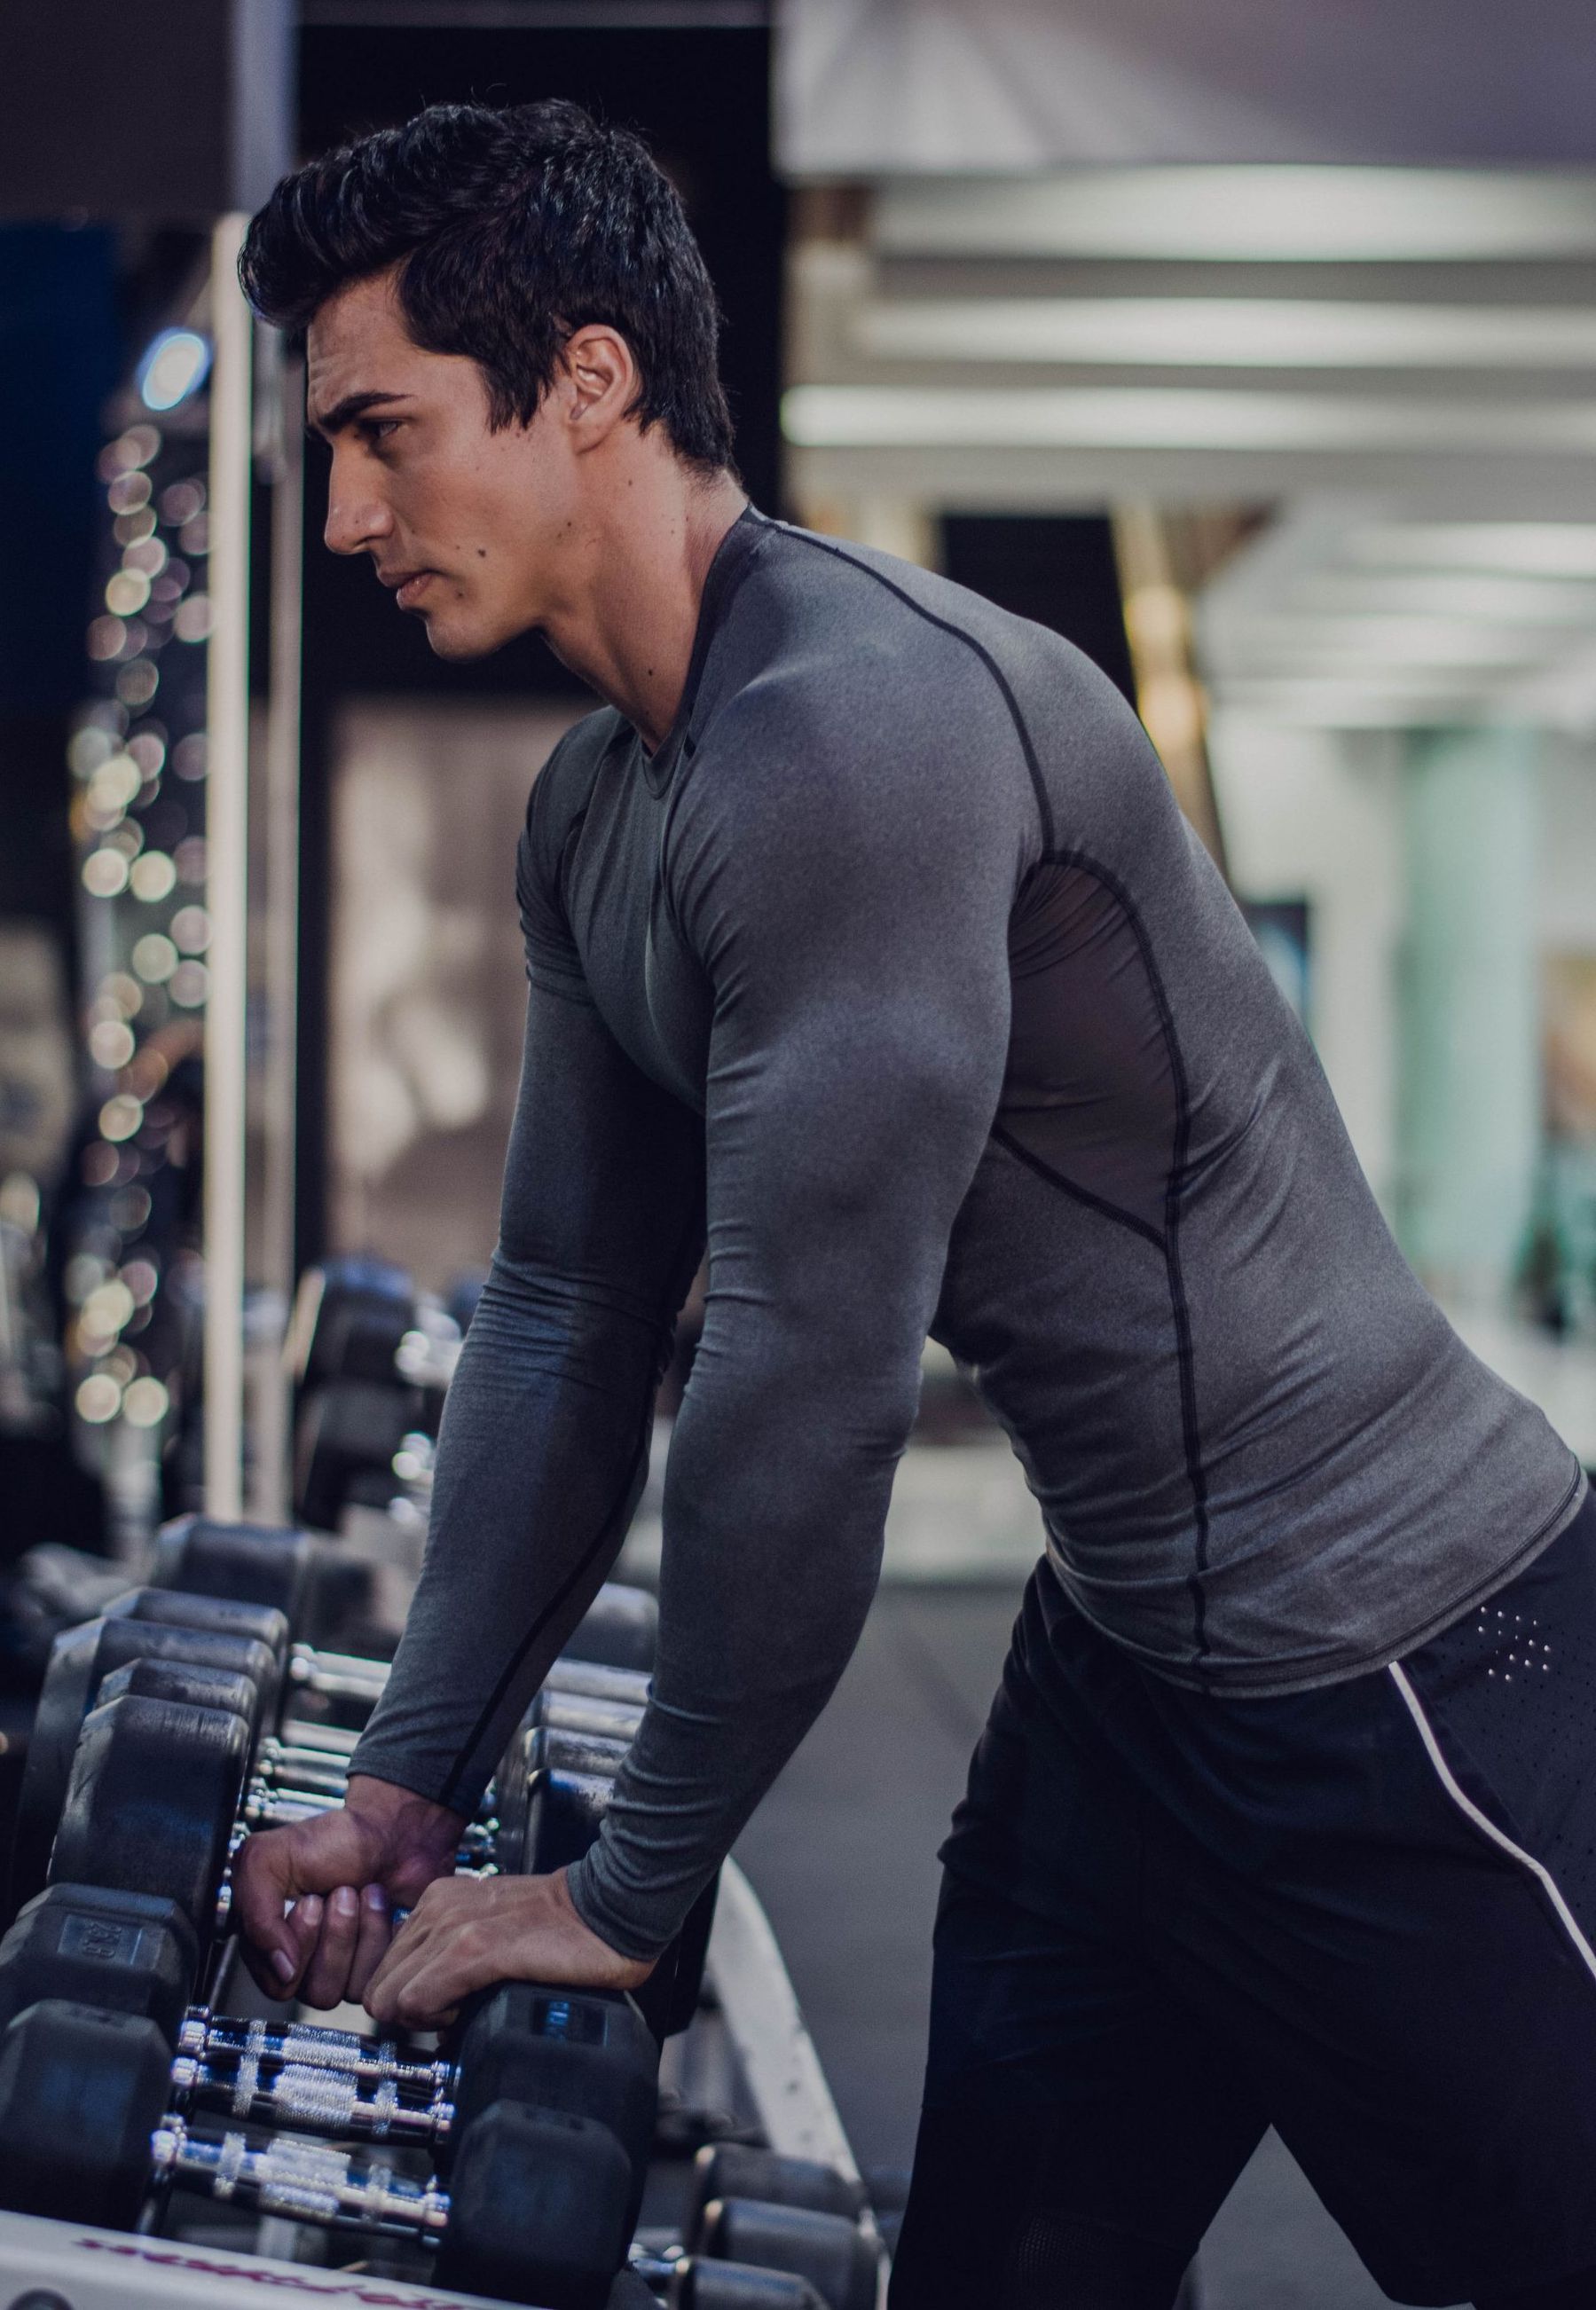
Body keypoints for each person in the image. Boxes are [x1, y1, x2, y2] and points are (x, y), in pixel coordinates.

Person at [235, 100, 1596, 2310]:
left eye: (384, 434)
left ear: (588, 383)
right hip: (1120, 1692)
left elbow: (808, 1372)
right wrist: (408, 1787)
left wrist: (630, 1892)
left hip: (1416, 1678)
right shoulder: (602, 810)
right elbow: (569, 1314)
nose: (348, 518)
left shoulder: (854, 734)